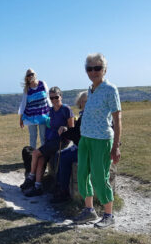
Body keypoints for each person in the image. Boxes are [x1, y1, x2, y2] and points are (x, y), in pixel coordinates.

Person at [73, 53, 122, 229]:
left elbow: (117, 119)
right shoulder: (91, 90)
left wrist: (116, 146)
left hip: (102, 140)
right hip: (85, 138)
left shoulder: (110, 89)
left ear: (105, 70)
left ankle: (109, 215)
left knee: (100, 177)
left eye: (97, 68)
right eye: (89, 68)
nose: (93, 72)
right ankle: (89, 210)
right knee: (82, 174)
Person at [21, 86, 74, 197]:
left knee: (35, 153)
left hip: (60, 141)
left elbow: (72, 129)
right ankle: (38, 186)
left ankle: (31, 177)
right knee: (40, 160)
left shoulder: (66, 109)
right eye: (51, 98)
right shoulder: (50, 111)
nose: (54, 100)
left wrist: (65, 128)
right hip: (50, 141)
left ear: (61, 96)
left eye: (56, 97)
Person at [50, 91, 88, 203]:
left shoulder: (86, 116)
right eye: (85, 101)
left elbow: (77, 136)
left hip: (84, 150)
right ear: (80, 103)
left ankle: (63, 191)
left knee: (64, 158)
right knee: (60, 154)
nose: (87, 103)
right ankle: (59, 186)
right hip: (82, 147)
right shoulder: (84, 115)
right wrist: (67, 130)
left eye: (88, 101)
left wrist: (65, 132)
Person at [18, 68, 51, 149]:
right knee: (33, 137)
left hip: (43, 115)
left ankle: (43, 157)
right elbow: (23, 104)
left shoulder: (42, 84)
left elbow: (48, 98)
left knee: (43, 137)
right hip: (31, 116)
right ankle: (32, 157)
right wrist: (21, 118)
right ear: (27, 78)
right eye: (28, 75)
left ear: (35, 75)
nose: (30, 76)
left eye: (32, 74)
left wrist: (52, 111)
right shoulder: (26, 89)